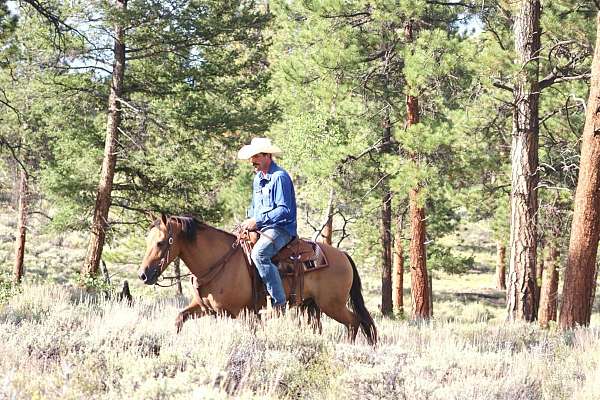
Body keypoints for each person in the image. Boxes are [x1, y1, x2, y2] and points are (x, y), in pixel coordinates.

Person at [238, 137, 297, 312]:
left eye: (255, 156)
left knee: (259, 254)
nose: (252, 161)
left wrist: (257, 221)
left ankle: (279, 303)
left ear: (267, 156)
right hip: (262, 228)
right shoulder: (258, 179)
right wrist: (248, 221)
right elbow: (255, 207)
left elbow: (284, 210)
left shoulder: (280, 177)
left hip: (282, 229)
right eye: (251, 157)